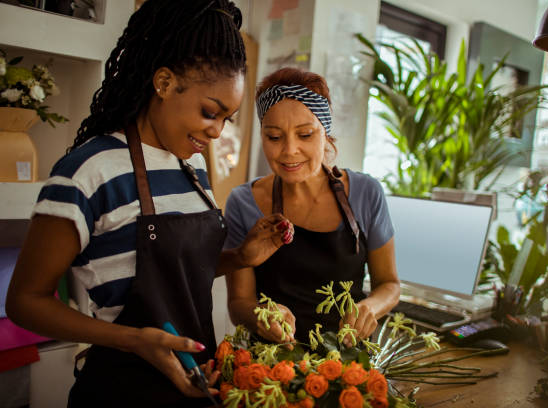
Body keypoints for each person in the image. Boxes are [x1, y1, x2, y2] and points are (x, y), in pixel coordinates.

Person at [6, 1, 293, 406]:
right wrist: (133, 340)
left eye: (226, 118)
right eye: (210, 112)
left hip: (194, 388)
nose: (216, 131)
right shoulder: (90, 171)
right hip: (119, 391)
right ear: (163, 82)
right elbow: (24, 302)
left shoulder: (192, 169)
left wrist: (240, 257)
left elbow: (169, 271)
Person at [224, 67, 400, 346]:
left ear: (325, 133)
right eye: (274, 137)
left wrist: (370, 308)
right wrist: (260, 315)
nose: (289, 150)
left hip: (347, 367)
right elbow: (238, 304)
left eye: (305, 134)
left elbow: (389, 284)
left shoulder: (367, 193)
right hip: (271, 370)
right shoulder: (243, 202)